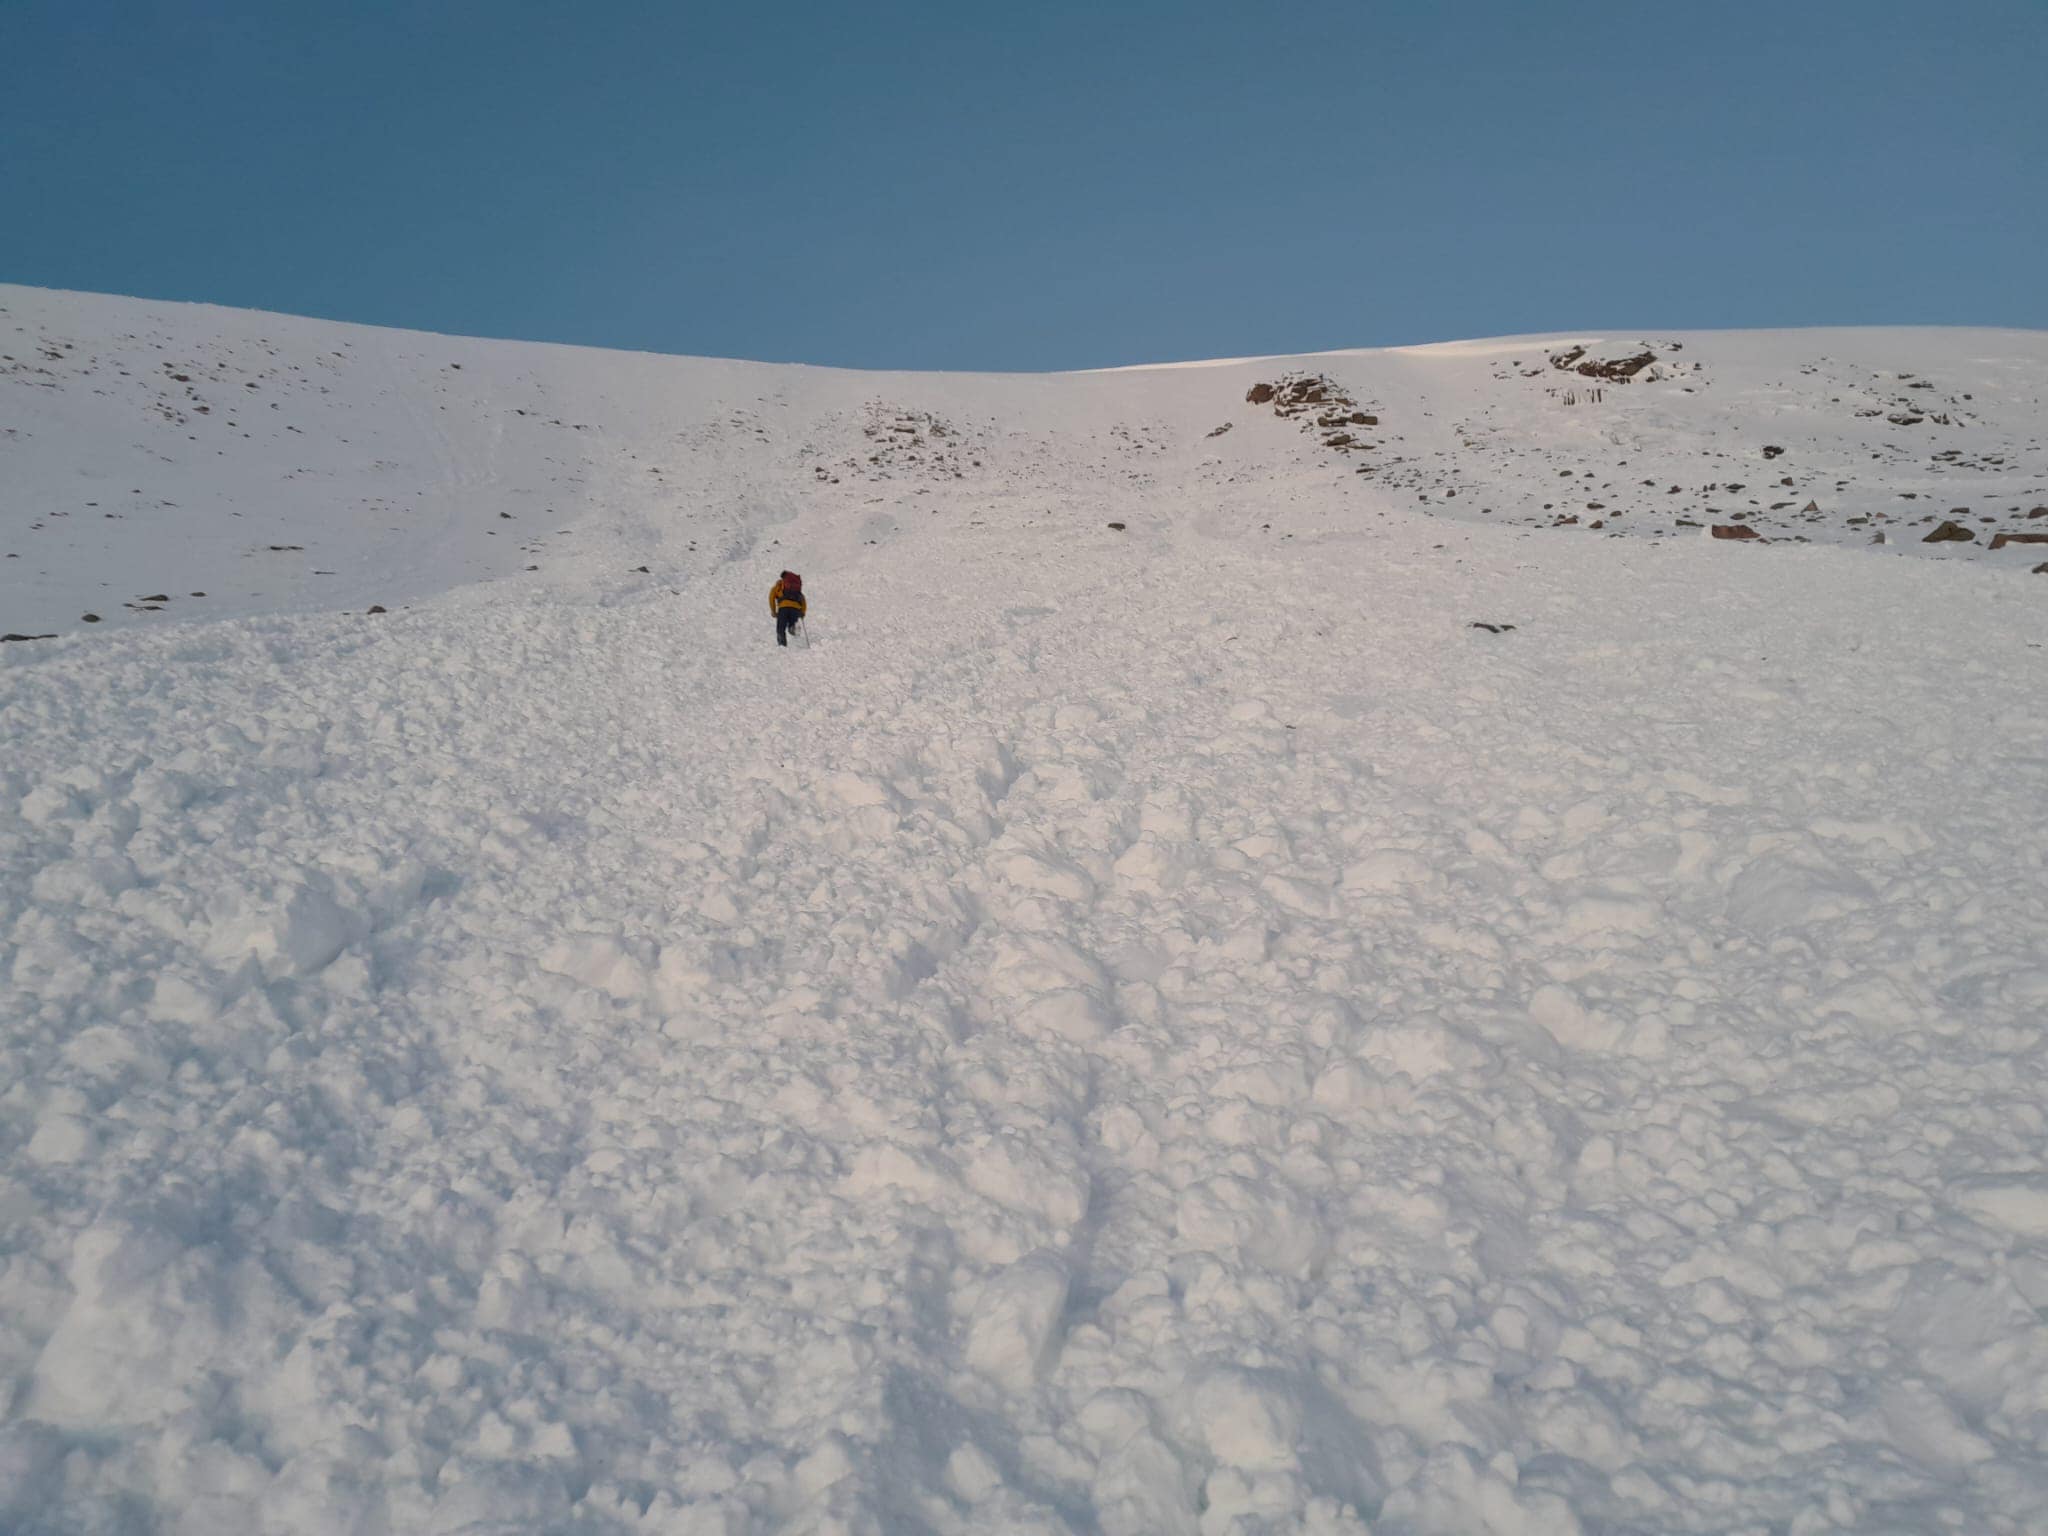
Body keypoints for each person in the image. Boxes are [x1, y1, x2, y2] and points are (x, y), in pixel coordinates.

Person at [769, 570, 807, 646]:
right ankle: (793, 627)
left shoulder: (778, 586)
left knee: (780, 628)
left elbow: (771, 597)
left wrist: (773, 611)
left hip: (783, 608)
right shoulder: (796, 588)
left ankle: (782, 646)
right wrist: (803, 612)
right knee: (792, 624)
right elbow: (803, 599)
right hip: (795, 609)